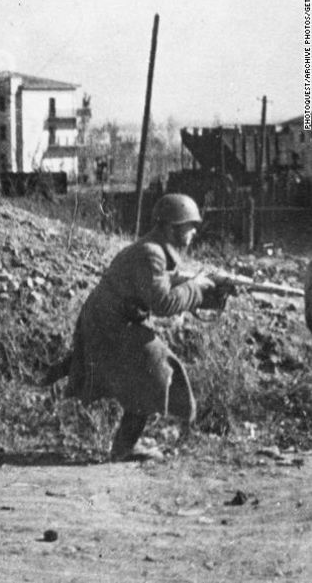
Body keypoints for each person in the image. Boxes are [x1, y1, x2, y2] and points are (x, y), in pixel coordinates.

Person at [48, 193, 221, 462]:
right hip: (109, 323)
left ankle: (125, 444)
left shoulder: (154, 251)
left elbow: (163, 285)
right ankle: (124, 447)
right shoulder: (151, 254)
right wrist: (195, 289)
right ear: (170, 227)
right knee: (157, 367)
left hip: (113, 320)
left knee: (152, 369)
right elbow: (162, 303)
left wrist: (206, 289)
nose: (194, 232)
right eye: (189, 225)